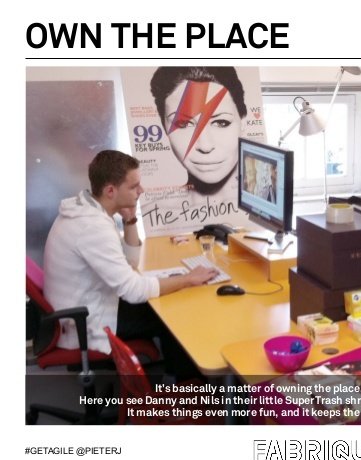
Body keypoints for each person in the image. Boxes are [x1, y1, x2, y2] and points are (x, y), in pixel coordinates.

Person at [43, 150, 217, 378]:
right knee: (174, 314)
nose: (141, 191)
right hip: (86, 323)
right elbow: (133, 291)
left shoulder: (86, 210)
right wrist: (188, 279)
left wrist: (130, 219)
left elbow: (130, 263)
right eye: (134, 186)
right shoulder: (92, 227)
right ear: (111, 191)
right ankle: (187, 386)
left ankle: (180, 379)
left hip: (90, 305)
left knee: (168, 299)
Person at [150, 66, 247, 197]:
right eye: (184, 124)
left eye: (221, 122)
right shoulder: (156, 208)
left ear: (243, 123)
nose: (205, 146)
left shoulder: (269, 200)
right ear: (164, 127)